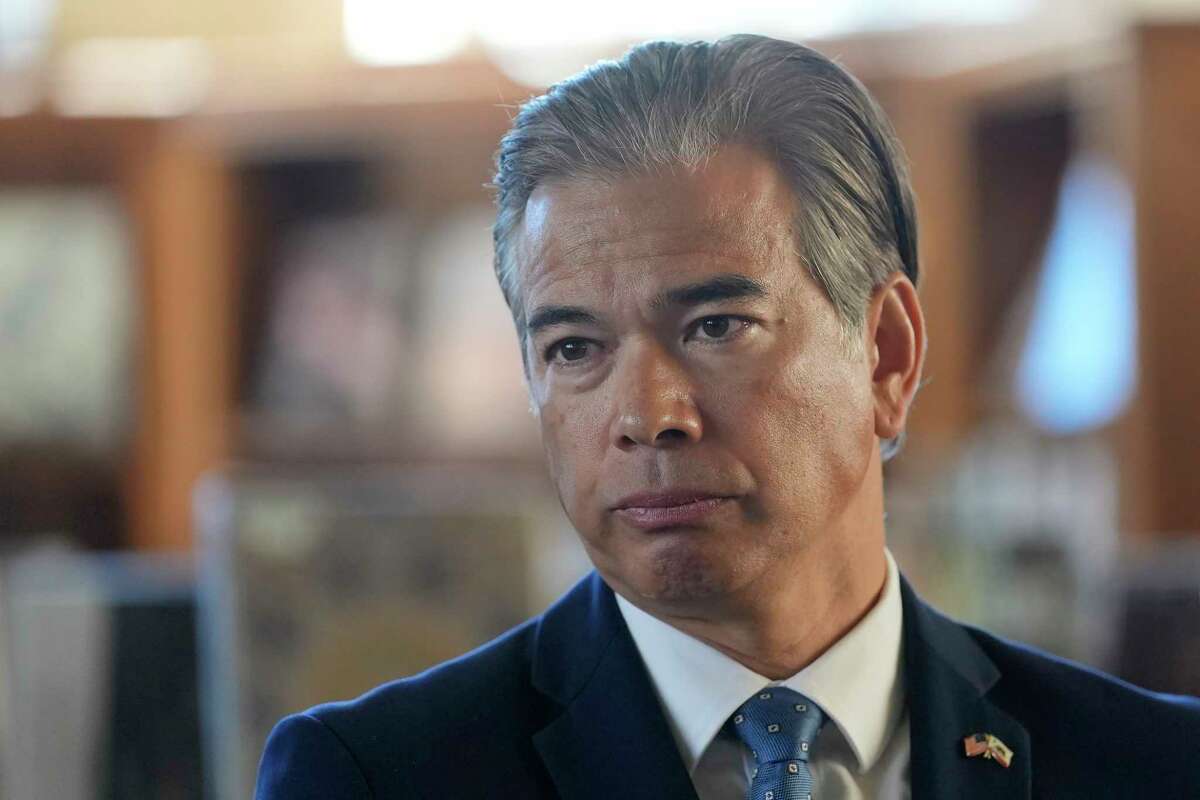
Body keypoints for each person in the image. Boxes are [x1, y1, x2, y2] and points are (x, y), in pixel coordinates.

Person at [255, 34, 1200, 799]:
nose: (644, 418)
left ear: (887, 355)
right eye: (575, 349)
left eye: (714, 326)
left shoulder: (1152, 768)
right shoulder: (376, 778)